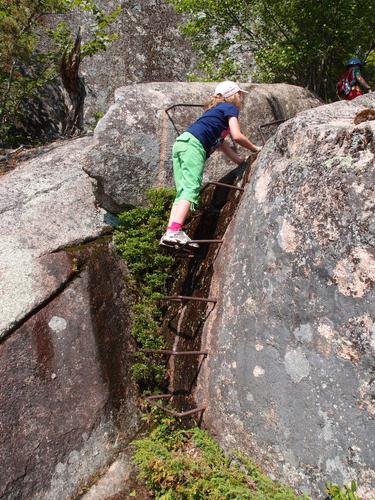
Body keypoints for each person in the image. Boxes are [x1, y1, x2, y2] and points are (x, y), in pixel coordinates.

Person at [160, 80, 261, 249]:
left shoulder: (213, 112)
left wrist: (238, 160)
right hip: (193, 146)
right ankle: (174, 231)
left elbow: (221, 143)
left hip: (182, 143)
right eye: (240, 95)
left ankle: (170, 233)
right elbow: (236, 136)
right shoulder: (230, 108)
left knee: (183, 191)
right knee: (191, 189)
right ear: (233, 96)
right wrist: (255, 148)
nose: (241, 99)